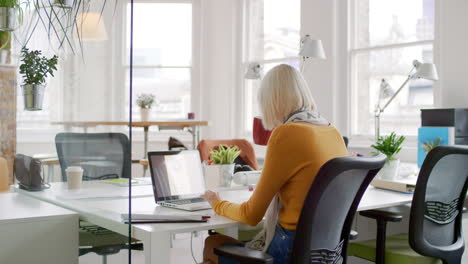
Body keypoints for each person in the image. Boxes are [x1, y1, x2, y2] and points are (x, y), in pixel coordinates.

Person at [201, 64, 348, 264]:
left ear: (271, 101)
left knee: (212, 243)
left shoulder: (287, 133)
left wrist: (217, 203)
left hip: (289, 250)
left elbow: (251, 215)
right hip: (326, 253)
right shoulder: (332, 132)